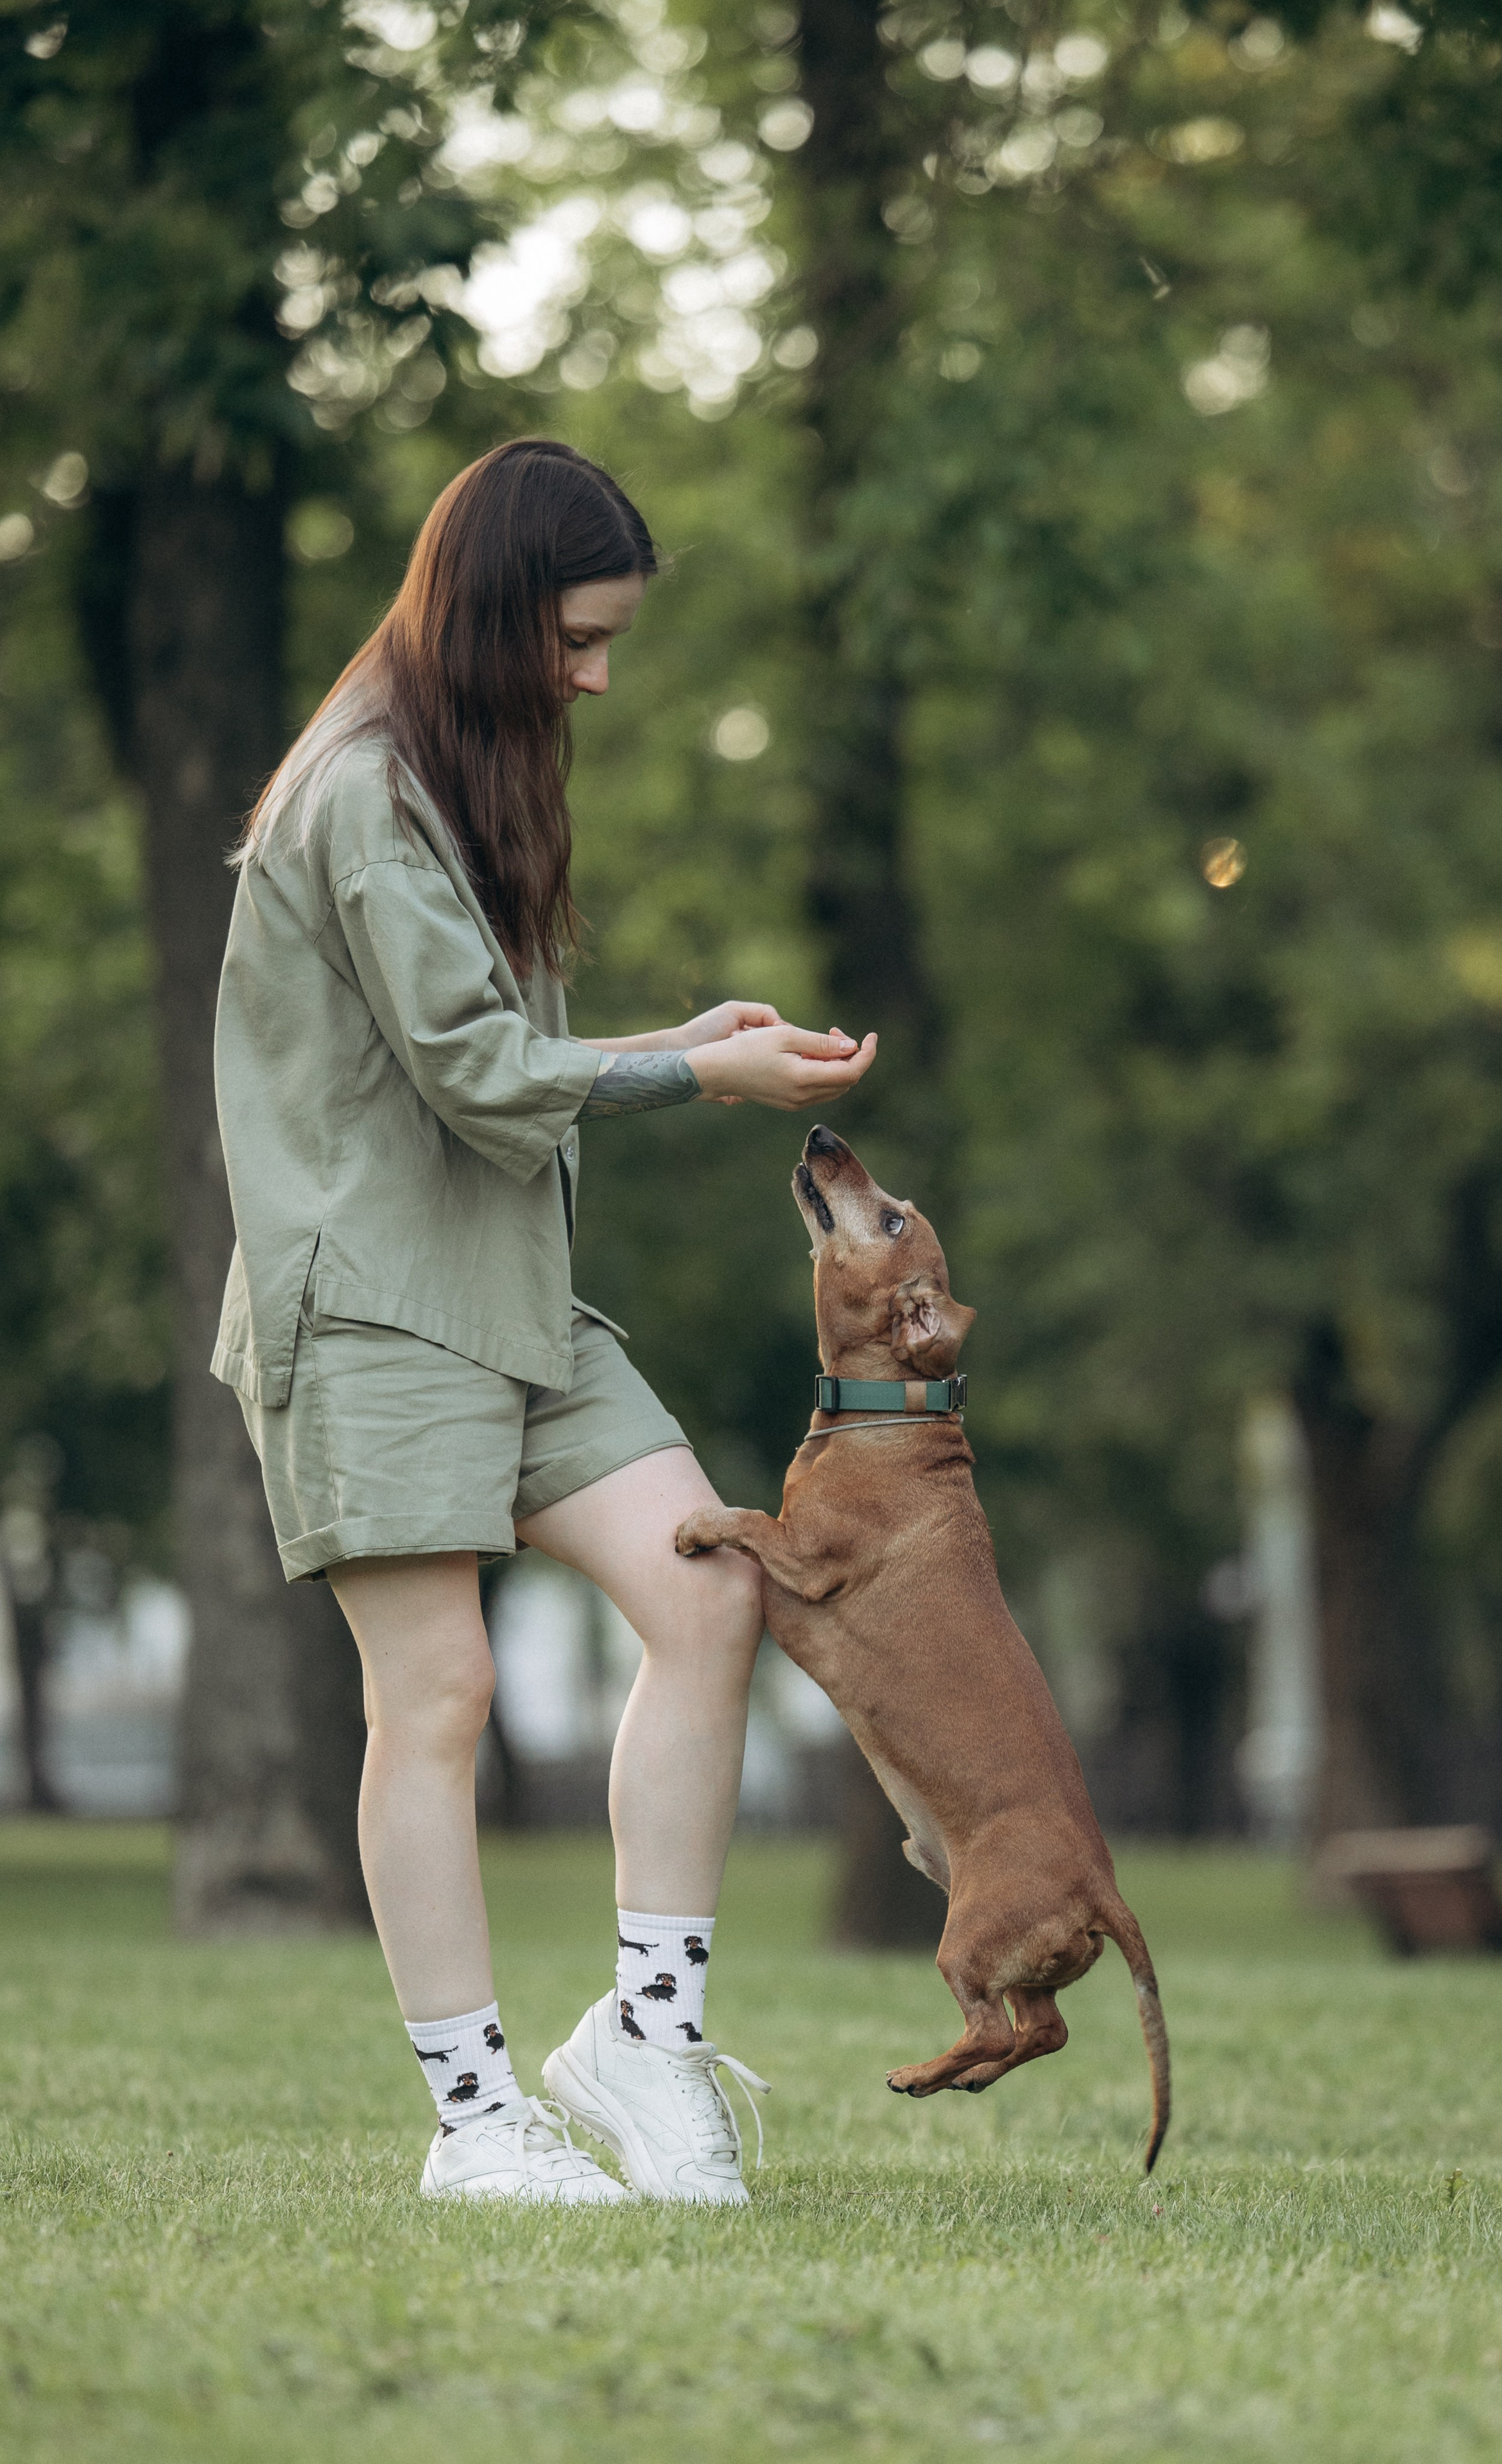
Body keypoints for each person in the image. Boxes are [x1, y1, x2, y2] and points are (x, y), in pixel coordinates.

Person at [213, 438, 876, 2206]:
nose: (594, 676)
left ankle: (645, 2045)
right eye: (578, 639)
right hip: (373, 1308)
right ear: (495, 611)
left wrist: (684, 1036)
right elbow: (482, 1076)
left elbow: (496, 1064)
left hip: (511, 1295)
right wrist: (698, 1073)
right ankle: (475, 2125)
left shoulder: (461, 771)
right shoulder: (359, 791)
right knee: (436, 1694)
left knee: (711, 1589)